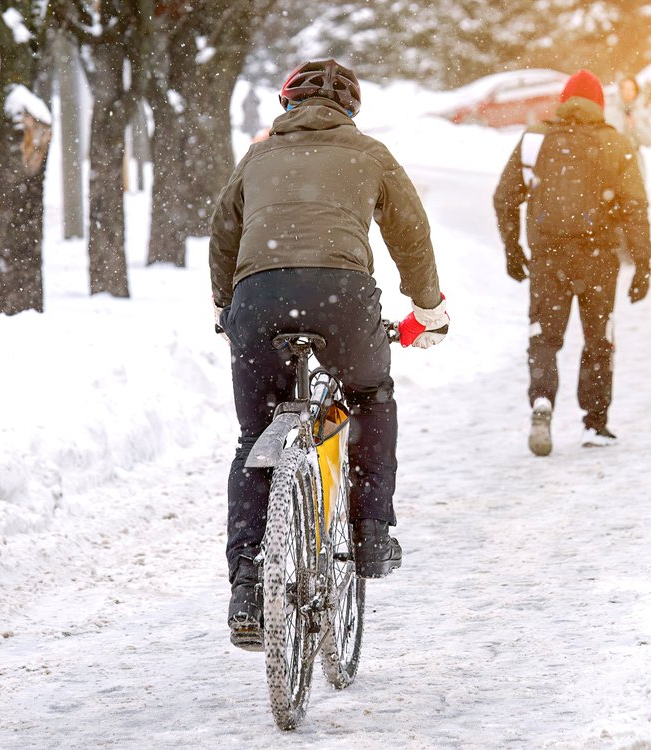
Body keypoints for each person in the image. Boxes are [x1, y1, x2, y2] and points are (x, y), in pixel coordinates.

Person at [209, 59, 449, 650]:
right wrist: (428, 309)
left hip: (258, 300)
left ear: (286, 105)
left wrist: (227, 306)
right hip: (341, 298)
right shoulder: (369, 153)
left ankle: (246, 583)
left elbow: (223, 232)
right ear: (352, 111)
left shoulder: (258, 156)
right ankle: (369, 533)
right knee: (369, 396)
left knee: (253, 436)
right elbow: (410, 234)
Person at [493, 69, 651, 457]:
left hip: (549, 258)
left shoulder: (535, 140)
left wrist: (513, 251)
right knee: (598, 340)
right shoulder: (615, 143)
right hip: (599, 260)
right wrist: (643, 265)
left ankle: (542, 401)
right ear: (599, 104)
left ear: (563, 101)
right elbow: (635, 208)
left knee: (544, 337)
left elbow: (504, 197)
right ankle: (595, 423)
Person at [604, 76, 651, 173]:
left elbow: (650, 141)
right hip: (614, 161)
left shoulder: (642, 113)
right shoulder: (609, 112)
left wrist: (636, 126)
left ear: (636, 91)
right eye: (625, 88)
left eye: (631, 89)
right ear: (620, 90)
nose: (628, 92)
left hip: (635, 162)